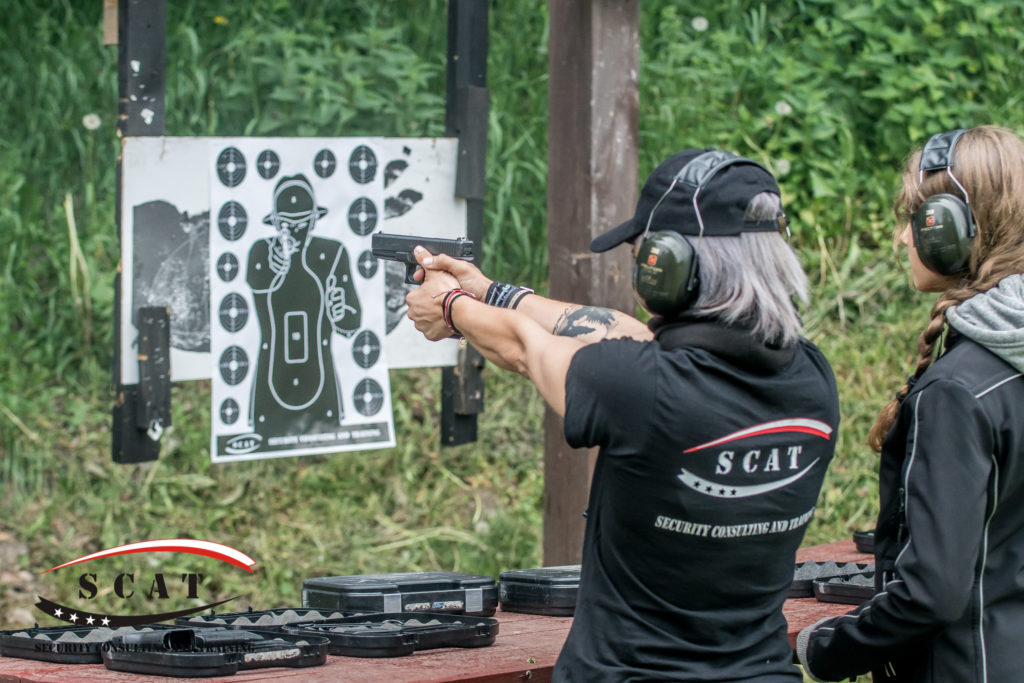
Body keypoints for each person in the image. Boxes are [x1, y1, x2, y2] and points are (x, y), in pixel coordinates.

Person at [406, 148, 840, 681]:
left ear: (670, 265)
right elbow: (625, 333)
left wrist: (450, 306)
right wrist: (492, 293)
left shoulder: (642, 388)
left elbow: (524, 349)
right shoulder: (813, 378)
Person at [796, 125, 1024, 682]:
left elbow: (930, 594)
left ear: (953, 228)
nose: (902, 238)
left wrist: (822, 648)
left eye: (913, 219)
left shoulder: (956, 392)